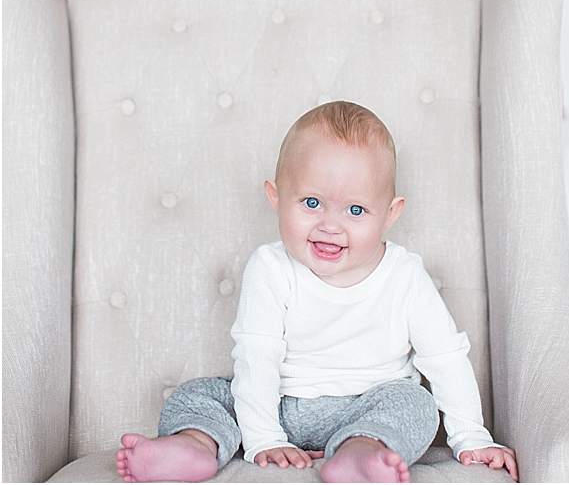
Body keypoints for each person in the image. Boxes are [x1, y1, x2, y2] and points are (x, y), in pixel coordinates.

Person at [113, 102, 517, 483]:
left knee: (416, 404)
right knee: (199, 394)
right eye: (311, 203)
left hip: (370, 403)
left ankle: (360, 454)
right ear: (276, 198)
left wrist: (472, 438)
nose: (330, 226)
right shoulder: (270, 268)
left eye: (355, 211)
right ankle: (193, 445)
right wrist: (264, 439)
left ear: (391, 214)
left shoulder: (405, 275)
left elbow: (445, 359)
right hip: (281, 404)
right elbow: (257, 356)